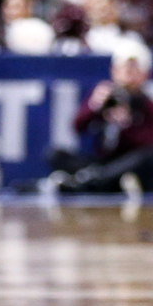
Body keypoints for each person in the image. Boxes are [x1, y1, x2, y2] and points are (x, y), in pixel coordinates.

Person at [44, 39, 153, 195]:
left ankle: (88, 181)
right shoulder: (105, 95)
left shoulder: (147, 102)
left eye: (135, 70)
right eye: (124, 69)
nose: (129, 75)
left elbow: (148, 145)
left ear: (145, 74)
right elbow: (77, 126)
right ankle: (99, 180)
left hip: (130, 162)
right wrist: (94, 107)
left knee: (148, 157)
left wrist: (126, 124)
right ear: (114, 71)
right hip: (103, 163)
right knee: (55, 154)